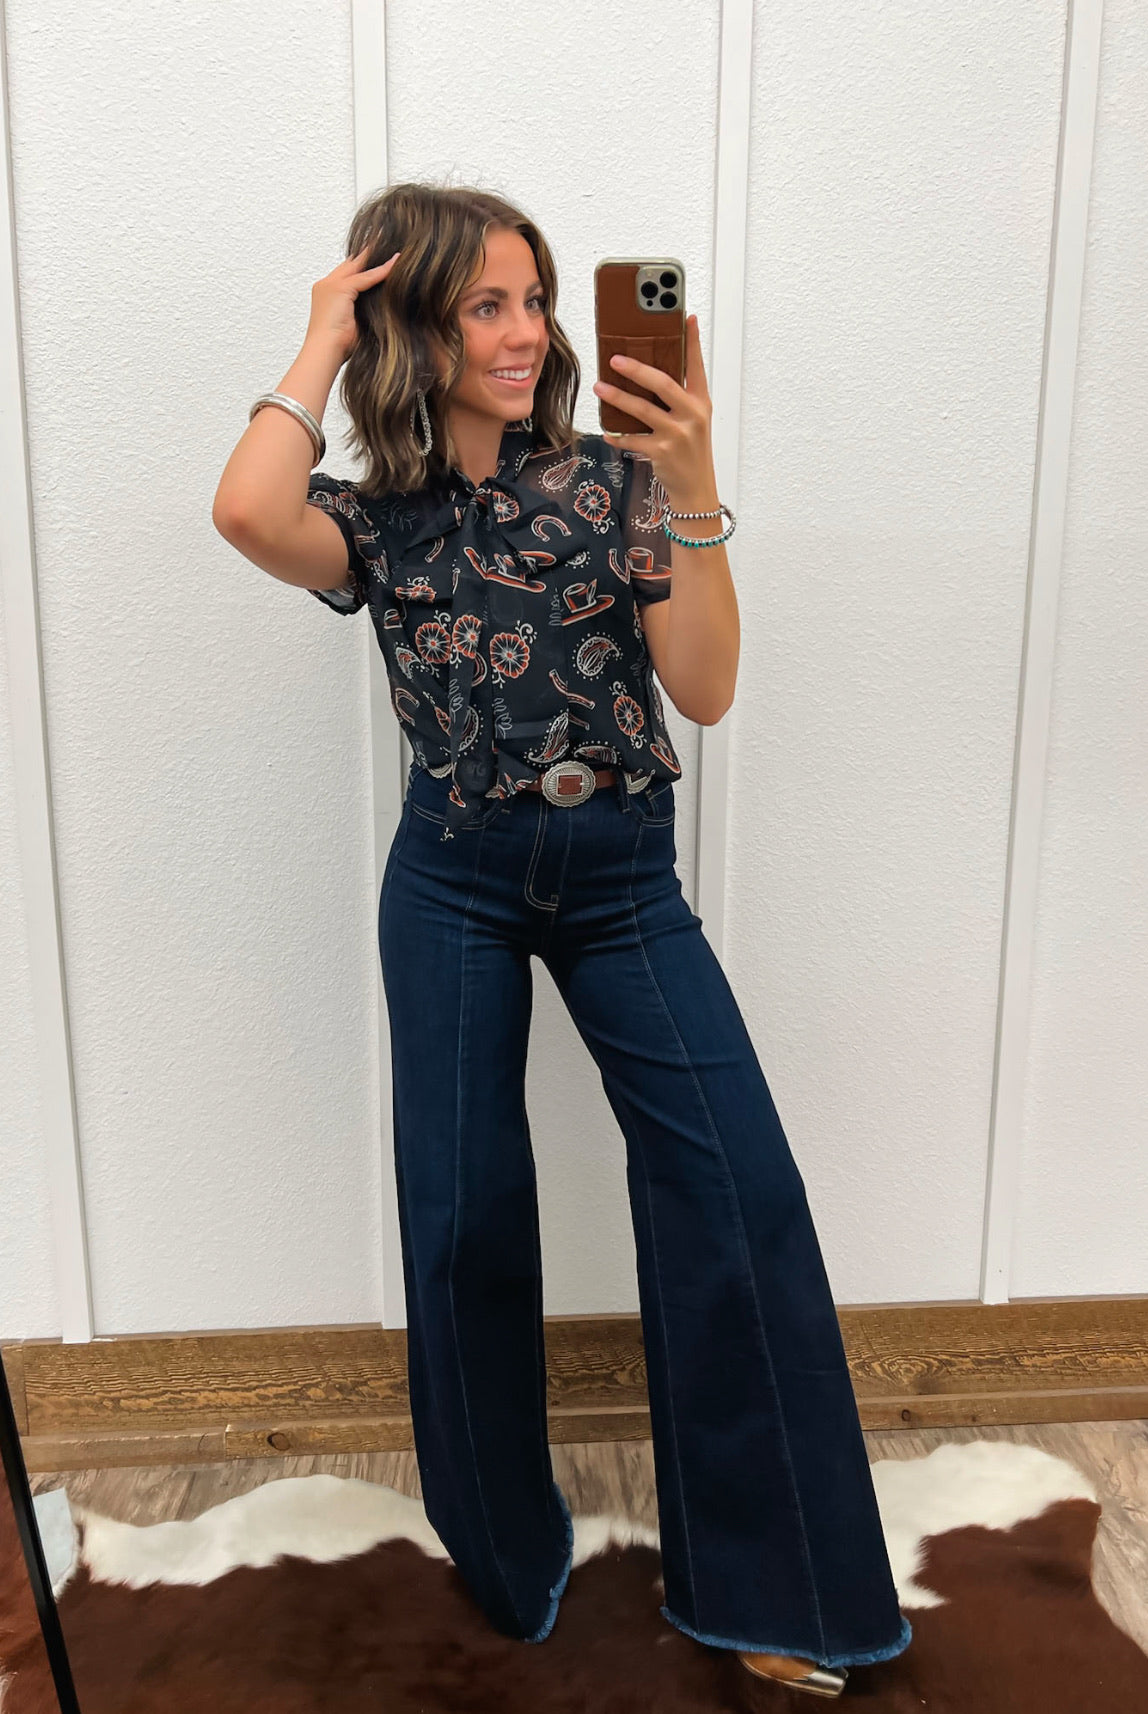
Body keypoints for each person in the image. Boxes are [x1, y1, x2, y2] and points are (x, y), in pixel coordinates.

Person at [212, 181, 912, 1699]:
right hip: (451, 884)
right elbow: (249, 510)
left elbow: (704, 689)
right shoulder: (376, 520)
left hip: (621, 881)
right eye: (486, 304)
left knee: (737, 1190)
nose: (527, 331)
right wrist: (324, 331)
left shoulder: (616, 483)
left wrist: (693, 477)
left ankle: (779, 1585)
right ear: (415, 327)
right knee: (463, 1216)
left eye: (534, 300)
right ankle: (508, 1548)